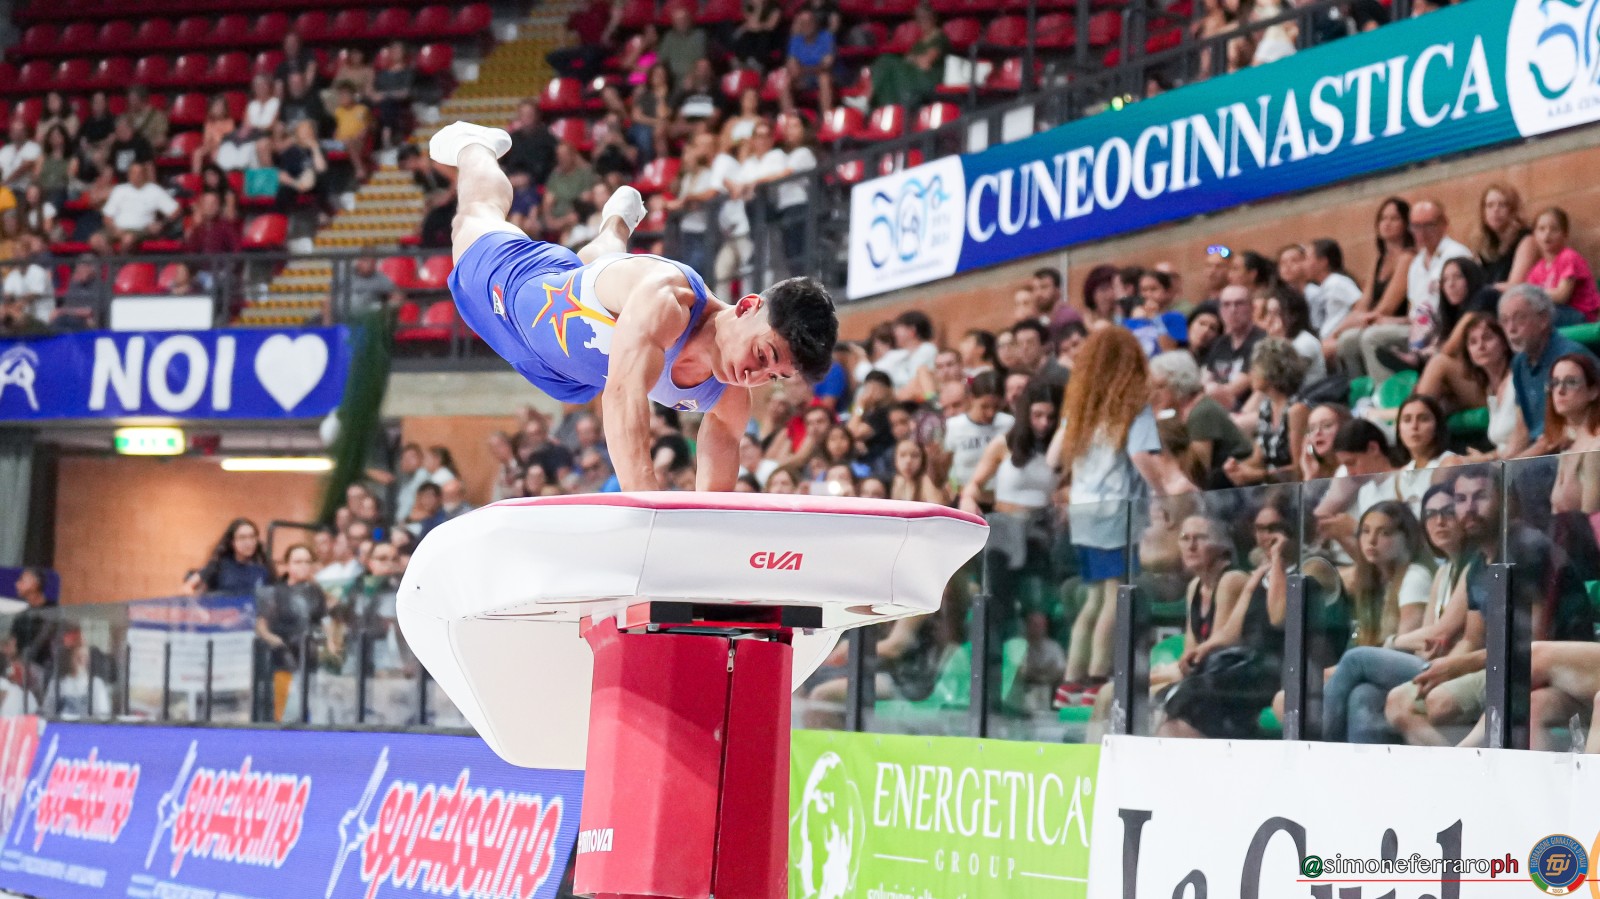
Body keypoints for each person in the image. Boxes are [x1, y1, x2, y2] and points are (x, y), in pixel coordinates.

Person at [429, 121, 838, 491]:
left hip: (573, 376)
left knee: (598, 272)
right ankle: (476, 146)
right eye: (763, 355)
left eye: (773, 376)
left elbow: (715, 495)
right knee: (473, 219)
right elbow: (623, 396)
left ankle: (615, 225)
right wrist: (647, 511)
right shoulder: (667, 298)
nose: (754, 375)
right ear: (748, 306)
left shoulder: (730, 396)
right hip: (527, 296)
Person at [1053, 328, 1191, 706]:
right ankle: (1097, 679)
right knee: (1115, 596)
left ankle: (1070, 683)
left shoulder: (1081, 411)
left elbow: (1053, 458)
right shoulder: (1132, 408)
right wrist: (1161, 494)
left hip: (1083, 510)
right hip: (1115, 510)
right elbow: (1141, 455)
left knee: (1094, 597)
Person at [1502, 284, 1598, 443]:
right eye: (1505, 320)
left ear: (1543, 319)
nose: (1511, 328)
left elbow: (1560, 435)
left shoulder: (1570, 358)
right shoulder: (1519, 363)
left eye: (1520, 318)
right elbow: (1522, 429)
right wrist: (1498, 457)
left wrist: (1518, 458)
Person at [1327, 197, 1414, 373]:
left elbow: (1387, 308)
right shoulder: (1379, 260)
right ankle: (1358, 385)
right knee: (1347, 340)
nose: (1387, 223)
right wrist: (1339, 330)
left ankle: (1381, 386)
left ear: (1405, 224)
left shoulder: (1407, 258)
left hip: (1398, 321)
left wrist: (1361, 321)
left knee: (1367, 337)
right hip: (1375, 320)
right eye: (1383, 218)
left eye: (1394, 218)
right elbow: (1363, 303)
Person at [256, 543, 328, 721]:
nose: (303, 566)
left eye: (307, 562)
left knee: (313, 711)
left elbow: (323, 621)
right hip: (284, 662)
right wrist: (277, 643)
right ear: (287, 565)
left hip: (311, 661)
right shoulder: (274, 592)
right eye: (297, 562)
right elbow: (261, 626)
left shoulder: (316, 592)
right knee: (286, 715)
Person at [1523, 207, 1600, 327]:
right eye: (1541, 229)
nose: (1547, 234)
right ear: (1534, 235)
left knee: (1534, 317)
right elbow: (1527, 296)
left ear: (1565, 235)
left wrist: (1533, 292)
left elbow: (1562, 296)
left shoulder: (1569, 257)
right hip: (1556, 312)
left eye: (1554, 229)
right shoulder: (1537, 269)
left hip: (1581, 315)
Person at [185, 518, 272, 595]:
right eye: (242, 538)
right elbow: (187, 587)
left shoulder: (263, 568)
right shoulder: (218, 564)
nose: (248, 542)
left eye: (252, 537)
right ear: (232, 542)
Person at [1473, 183, 1536, 287]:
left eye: (1502, 205)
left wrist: (1485, 291)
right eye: (1490, 205)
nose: (1495, 210)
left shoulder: (1526, 239)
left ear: (1513, 210)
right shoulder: (1483, 244)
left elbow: (1515, 285)